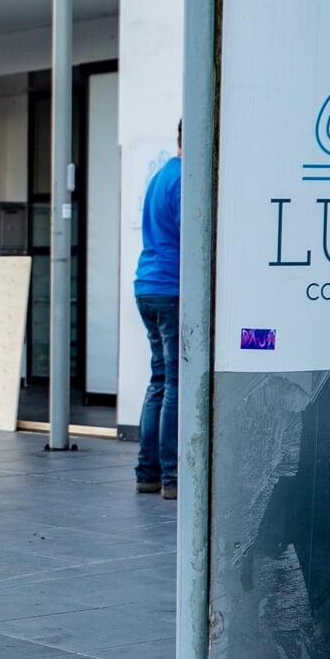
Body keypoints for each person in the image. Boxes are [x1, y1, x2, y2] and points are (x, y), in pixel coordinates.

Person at [134, 123, 182, 500]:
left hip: (148, 284)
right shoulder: (184, 178)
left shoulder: (161, 174)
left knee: (159, 381)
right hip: (172, 288)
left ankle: (146, 473)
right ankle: (172, 477)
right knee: (176, 385)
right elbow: (193, 233)